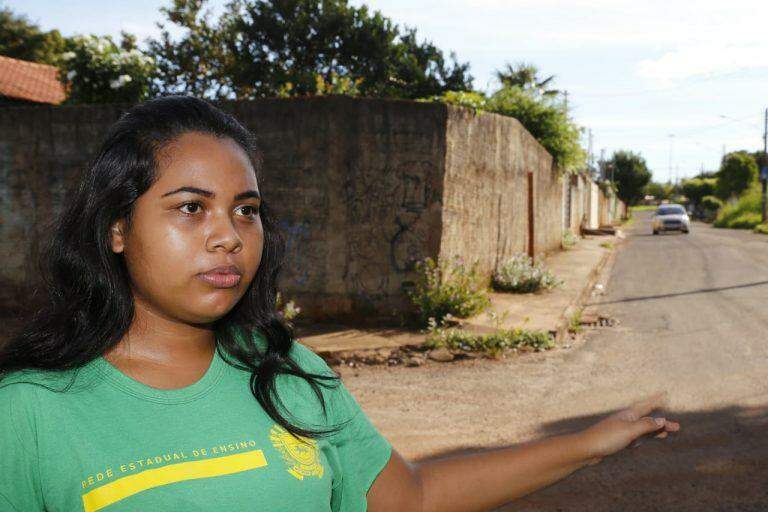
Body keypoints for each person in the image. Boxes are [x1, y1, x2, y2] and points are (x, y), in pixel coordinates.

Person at [0, 95, 679, 512]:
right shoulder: (30, 411)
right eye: (189, 208)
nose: (228, 236)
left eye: (247, 210)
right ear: (115, 227)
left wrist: (589, 444)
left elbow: (410, 498)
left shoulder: (287, 371)